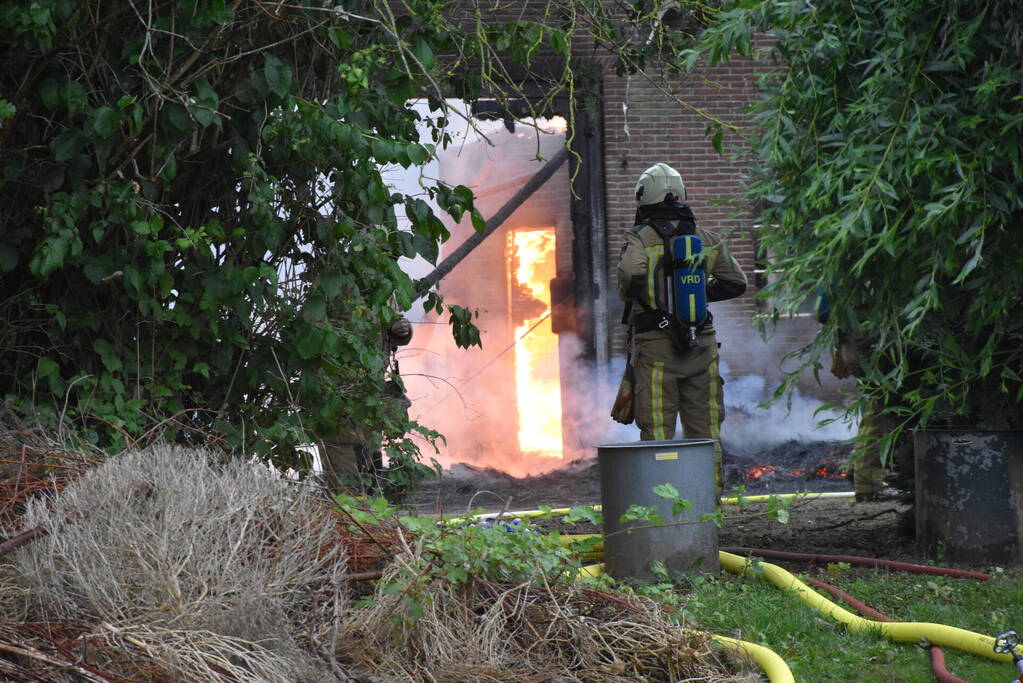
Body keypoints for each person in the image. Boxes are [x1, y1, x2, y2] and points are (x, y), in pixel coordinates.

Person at [615, 163, 747, 486]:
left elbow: (630, 273)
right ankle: (709, 510)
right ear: (680, 193)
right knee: (706, 432)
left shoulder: (640, 238)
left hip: (656, 348)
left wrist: (641, 296)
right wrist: (700, 295)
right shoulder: (704, 237)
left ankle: (661, 510)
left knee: (658, 430)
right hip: (701, 344)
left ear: (643, 198)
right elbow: (737, 282)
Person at [320, 314, 413, 496]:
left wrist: (402, 330)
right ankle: (350, 520)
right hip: (338, 404)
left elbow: (396, 325)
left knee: (371, 478)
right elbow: (314, 331)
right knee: (346, 489)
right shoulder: (330, 292)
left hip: (370, 400)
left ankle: (365, 519)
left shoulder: (382, 291)